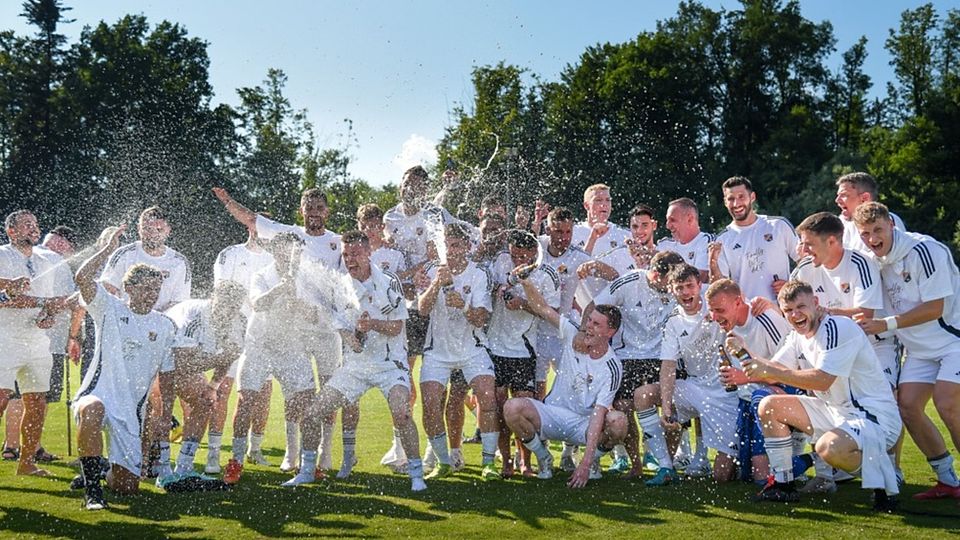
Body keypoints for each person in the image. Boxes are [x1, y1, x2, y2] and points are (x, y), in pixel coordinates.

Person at [732, 280, 901, 511]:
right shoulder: (796, 337)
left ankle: (884, 481)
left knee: (828, 448)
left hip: (872, 416)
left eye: (801, 307)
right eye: (789, 310)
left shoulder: (837, 327)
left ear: (816, 302)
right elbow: (772, 373)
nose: (795, 314)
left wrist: (770, 371)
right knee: (769, 405)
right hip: (834, 411)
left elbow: (822, 380)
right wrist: (745, 351)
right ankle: (783, 485)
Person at [213, 187, 344, 469]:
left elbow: (349, 282)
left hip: (322, 330)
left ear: (327, 211)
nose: (314, 214)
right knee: (277, 397)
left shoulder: (338, 243)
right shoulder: (288, 237)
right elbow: (250, 219)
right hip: (286, 337)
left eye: (320, 208)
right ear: (302, 211)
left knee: (326, 392)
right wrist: (227, 200)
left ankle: (325, 453)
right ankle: (285, 455)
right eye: (309, 208)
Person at [289, 231, 426, 492]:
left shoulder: (389, 281)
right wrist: (357, 337)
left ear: (368, 253)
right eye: (346, 255)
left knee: (402, 412)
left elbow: (397, 326)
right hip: (355, 367)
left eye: (355, 253)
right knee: (312, 413)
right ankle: (307, 470)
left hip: (390, 364)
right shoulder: (339, 287)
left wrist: (371, 324)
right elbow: (347, 336)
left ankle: (416, 474)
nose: (350, 259)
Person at [853, 202, 960, 501]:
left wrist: (884, 324)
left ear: (891, 225)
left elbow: (936, 307)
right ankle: (948, 480)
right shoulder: (872, 260)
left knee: (946, 403)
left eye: (877, 230)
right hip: (919, 350)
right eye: (865, 234)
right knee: (908, 407)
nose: (872, 238)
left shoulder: (925, 250)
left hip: (954, 341)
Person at [71, 225, 178, 510]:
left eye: (156, 289)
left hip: (130, 411)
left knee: (127, 487)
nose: (151, 294)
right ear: (129, 288)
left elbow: (166, 375)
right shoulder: (109, 307)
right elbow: (82, 277)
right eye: (145, 288)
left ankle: (99, 468)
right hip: (98, 395)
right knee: (91, 409)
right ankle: (93, 493)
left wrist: (166, 412)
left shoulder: (165, 326)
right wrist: (106, 250)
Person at [503, 271, 626, 488]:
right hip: (552, 414)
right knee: (512, 407)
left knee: (618, 422)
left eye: (596, 324)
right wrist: (525, 281)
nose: (588, 326)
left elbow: (599, 415)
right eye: (589, 320)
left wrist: (586, 464)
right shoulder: (573, 333)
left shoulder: (612, 367)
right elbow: (542, 308)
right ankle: (544, 457)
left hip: (584, 424)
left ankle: (594, 459)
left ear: (611, 332)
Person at [222, 233, 325, 486]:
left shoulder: (307, 278)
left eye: (293, 250)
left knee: (308, 404)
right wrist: (280, 289)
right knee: (247, 401)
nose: (288, 254)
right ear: (275, 251)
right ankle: (235, 462)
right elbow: (257, 303)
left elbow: (315, 316)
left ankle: (308, 466)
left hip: (291, 348)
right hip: (260, 346)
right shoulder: (262, 275)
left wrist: (299, 304)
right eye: (283, 249)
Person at [585, 250, 684, 479]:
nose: (675, 285)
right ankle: (636, 464)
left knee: (673, 407)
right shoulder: (630, 281)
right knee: (624, 407)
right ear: (657, 275)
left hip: (664, 356)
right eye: (671, 280)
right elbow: (595, 306)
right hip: (628, 355)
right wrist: (585, 335)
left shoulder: (678, 288)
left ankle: (666, 463)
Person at [416, 223, 500, 480]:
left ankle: (488, 463)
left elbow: (481, 318)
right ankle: (443, 462)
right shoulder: (432, 270)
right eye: (446, 246)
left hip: (471, 348)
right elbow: (422, 309)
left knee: (487, 396)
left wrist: (463, 306)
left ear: (466, 247)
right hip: (438, 351)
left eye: (455, 245)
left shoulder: (479, 274)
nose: (451, 251)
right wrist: (435, 285)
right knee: (430, 403)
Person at [0, 210, 74, 477]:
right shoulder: (2, 255)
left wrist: (50, 314)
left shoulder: (46, 261)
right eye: (26, 225)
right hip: (5, 339)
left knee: (37, 402)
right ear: (11, 231)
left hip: (38, 341)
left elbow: (53, 300)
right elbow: (3, 298)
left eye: (35, 224)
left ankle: (27, 463)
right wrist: (11, 289)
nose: (34, 228)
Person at [704, 278, 800, 484]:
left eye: (719, 310)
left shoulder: (765, 319)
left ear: (738, 302)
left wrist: (743, 378)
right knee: (730, 475)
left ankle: (812, 459)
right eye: (712, 311)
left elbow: (788, 371)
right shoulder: (727, 327)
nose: (714, 317)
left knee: (761, 477)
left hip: (776, 396)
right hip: (746, 399)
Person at [655, 264, 739, 484]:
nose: (685, 292)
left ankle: (715, 457)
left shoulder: (715, 306)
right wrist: (665, 407)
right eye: (679, 287)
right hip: (695, 387)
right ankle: (666, 464)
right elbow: (668, 366)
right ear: (672, 290)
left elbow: (733, 295)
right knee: (648, 395)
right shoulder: (672, 322)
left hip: (725, 391)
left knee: (723, 477)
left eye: (690, 286)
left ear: (699, 286)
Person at [486, 230, 561, 477]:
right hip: (496, 347)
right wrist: (498, 288)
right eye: (514, 254)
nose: (517, 260)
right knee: (498, 408)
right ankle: (506, 462)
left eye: (522, 256)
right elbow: (489, 282)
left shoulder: (546, 273)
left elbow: (552, 313)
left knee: (522, 410)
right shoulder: (501, 261)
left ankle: (526, 462)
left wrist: (524, 304)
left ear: (533, 253)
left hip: (524, 350)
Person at [206, 221, 276, 473]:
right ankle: (213, 454)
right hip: (231, 330)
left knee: (261, 393)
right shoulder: (230, 254)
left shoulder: (274, 260)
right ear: (250, 228)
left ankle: (254, 449)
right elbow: (222, 291)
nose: (263, 235)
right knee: (222, 390)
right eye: (259, 228)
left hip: (262, 335)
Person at [165, 281, 246, 480]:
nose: (228, 310)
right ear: (213, 298)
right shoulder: (196, 315)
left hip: (189, 361)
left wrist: (213, 386)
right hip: (161, 359)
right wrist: (219, 359)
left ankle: (184, 466)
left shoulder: (239, 321)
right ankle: (155, 465)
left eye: (234, 306)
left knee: (206, 402)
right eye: (224, 303)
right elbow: (181, 365)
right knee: (159, 411)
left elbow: (229, 355)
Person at [709, 177, 799, 301]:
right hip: (747, 314)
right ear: (725, 202)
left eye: (741, 197)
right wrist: (712, 263)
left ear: (752, 197)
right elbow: (719, 287)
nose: (736, 204)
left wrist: (792, 286)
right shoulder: (722, 240)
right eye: (731, 199)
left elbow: (805, 260)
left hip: (784, 308)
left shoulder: (778, 225)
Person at [100, 207, 192, 312]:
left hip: (163, 322)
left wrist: (153, 319)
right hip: (127, 319)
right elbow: (107, 291)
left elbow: (179, 304)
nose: (153, 234)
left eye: (159, 230)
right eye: (148, 229)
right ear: (139, 229)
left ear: (168, 230)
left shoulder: (179, 262)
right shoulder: (124, 254)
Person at [834, 172, 905, 254]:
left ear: (865, 198)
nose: (837, 200)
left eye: (844, 195)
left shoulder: (885, 221)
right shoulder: (842, 224)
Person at [656, 198, 713, 281]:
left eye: (672, 220)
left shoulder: (706, 241)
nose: (668, 226)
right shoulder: (665, 244)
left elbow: (702, 276)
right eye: (667, 220)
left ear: (690, 219)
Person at [571, 183, 629, 256]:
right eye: (598, 200)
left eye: (608, 200)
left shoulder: (624, 235)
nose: (604, 204)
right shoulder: (573, 233)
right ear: (587, 205)